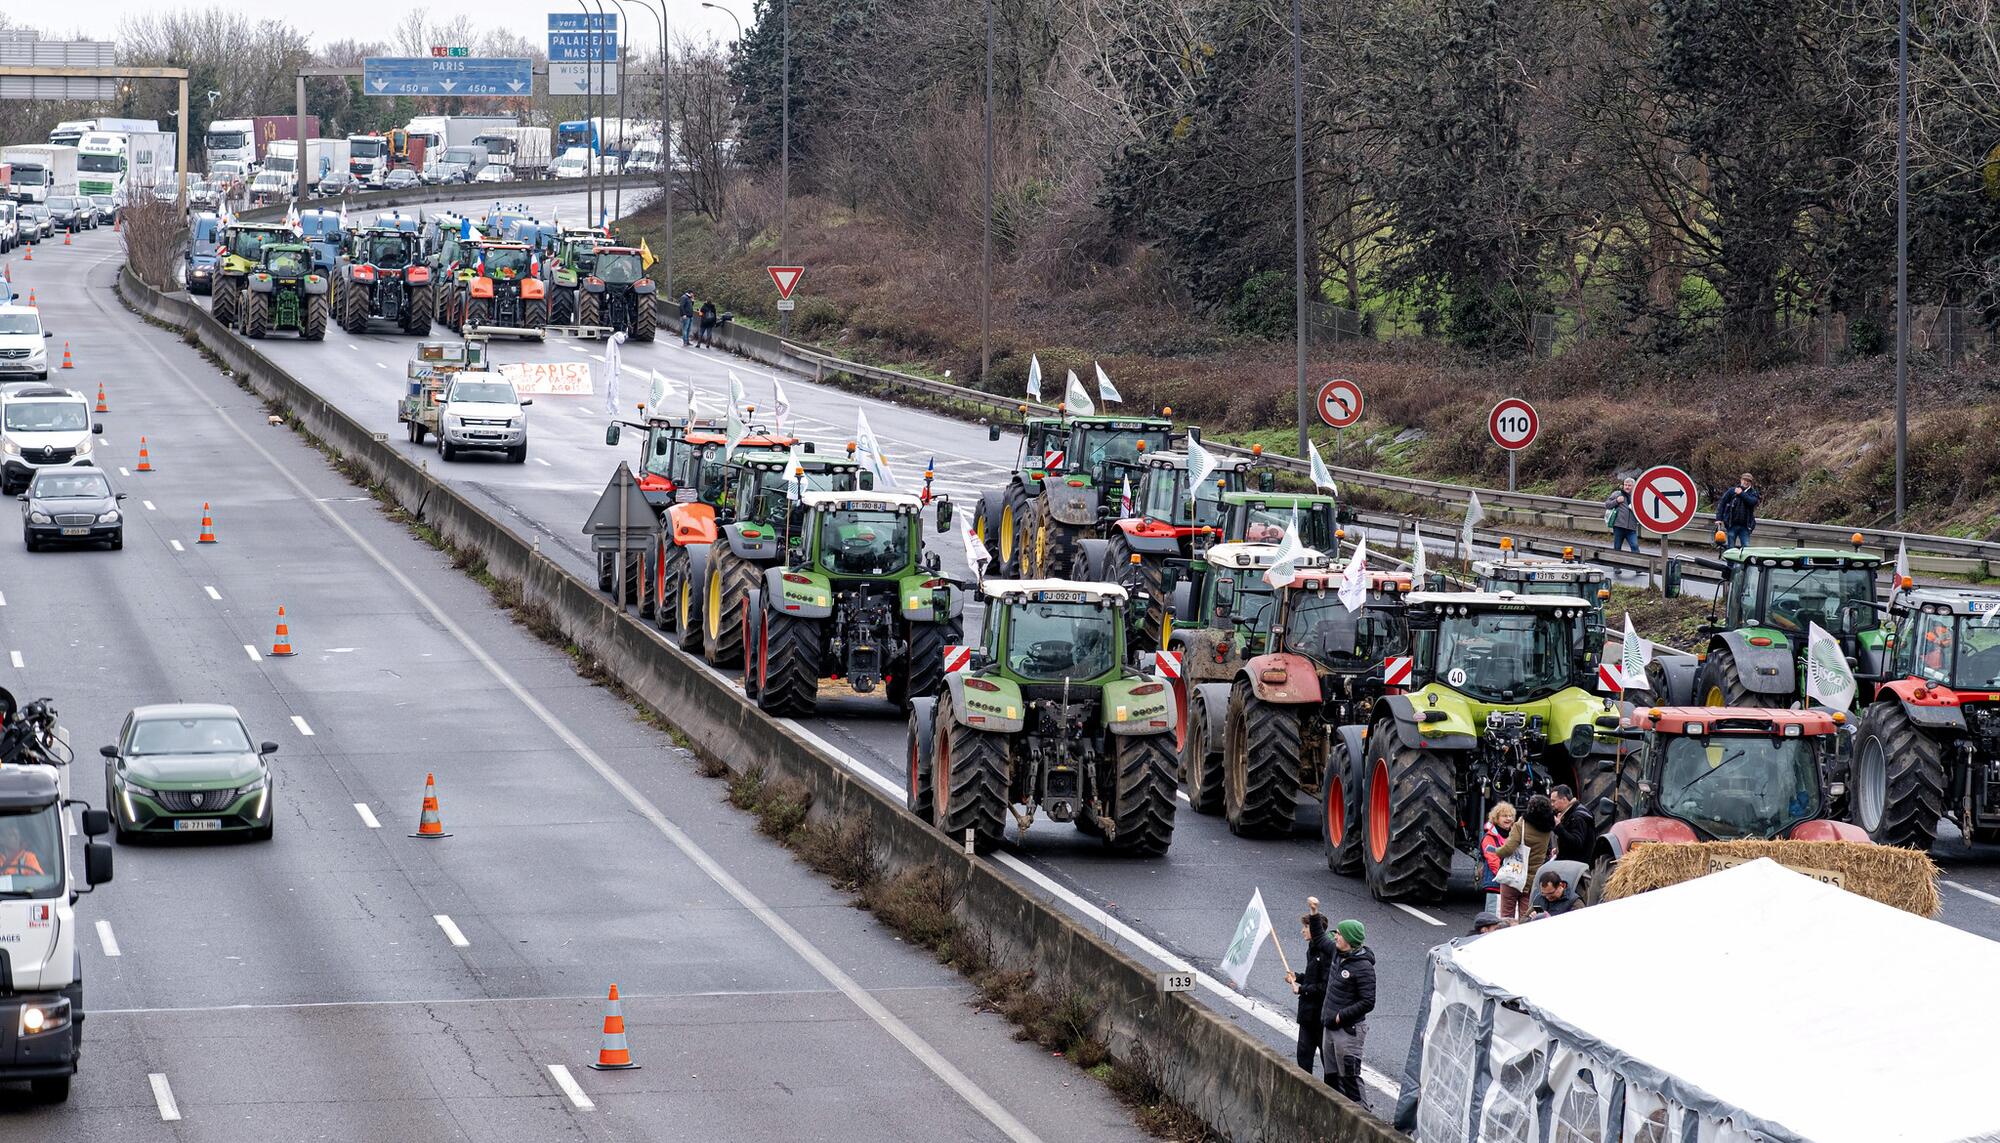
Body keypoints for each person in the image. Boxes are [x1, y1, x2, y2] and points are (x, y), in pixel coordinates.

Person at [1320, 919, 1375, 1106]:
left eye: (1340, 934)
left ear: (1349, 939)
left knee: (1349, 1077)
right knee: (1331, 1077)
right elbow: (1320, 938)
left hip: (1348, 1031)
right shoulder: (1338, 953)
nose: (1336, 936)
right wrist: (1314, 914)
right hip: (1330, 1027)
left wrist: (1340, 1016)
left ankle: (1363, 1119)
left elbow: (1368, 1002)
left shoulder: (1363, 967)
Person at [1495, 794, 1556, 922]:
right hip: (1533, 881)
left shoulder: (1521, 825)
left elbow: (1508, 849)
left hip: (1514, 876)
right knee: (1526, 919)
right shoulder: (1548, 829)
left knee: (1506, 918)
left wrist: (1497, 851)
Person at [1286, 913, 1334, 1073]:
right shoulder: (1312, 949)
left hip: (1320, 1015)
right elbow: (1313, 978)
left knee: (1327, 1061)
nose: (1302, 931)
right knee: (1303, 1054)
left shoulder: (1326, 954)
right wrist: (1298, 977)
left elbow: (1325, 986)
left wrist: (1302, 989)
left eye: (1306, 927)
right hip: (1308, 1013)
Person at [1479, 801, 1516, 913]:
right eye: (1504, 816)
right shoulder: (1489, 837)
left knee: (1508, 918)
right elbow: (1492, 859)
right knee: (1492, 918)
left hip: (1511, 883)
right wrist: (1505, 876)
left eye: (1510, 816)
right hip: (1495, 884)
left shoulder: (1515, 836)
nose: (1508, 819)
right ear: (1496, 818)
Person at [1549, 784, 1594, 864]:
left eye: (1554, 801)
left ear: (1564, 799)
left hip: (1576, 867)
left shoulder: (1577, 817)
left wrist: (1558, 827)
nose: (1552, 804)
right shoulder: (1569, 814)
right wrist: (1560, 848)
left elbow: (1576, 843)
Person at [1716, 473, 1760, 550]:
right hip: (1731, 525)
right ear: (1741, 480)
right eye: (1744, 480)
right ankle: (1730, 562)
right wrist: (1719, 519)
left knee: (1746, 548)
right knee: (1730, 548)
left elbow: (1752, 502)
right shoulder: (1731, 491)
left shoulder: (1753, 493)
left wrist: (1741, 493)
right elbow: (1722, 504)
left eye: (1748, 481)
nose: (1745, 482)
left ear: (1751, 483)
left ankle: (1744, 562)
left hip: (1746, 526)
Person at [1605, 477, 1641, 554]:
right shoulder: (1617, 494)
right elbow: (1607, 505)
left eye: (1629, 485)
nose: (1627, 487)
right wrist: (1616, 501)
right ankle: (1616, 565)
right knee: (1617, 547)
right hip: (1619, 526)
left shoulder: (1637, 496)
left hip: (1631, 528)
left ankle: (1636, 564)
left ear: (1634, 486)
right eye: (1625, 485)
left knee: (1635, 546)